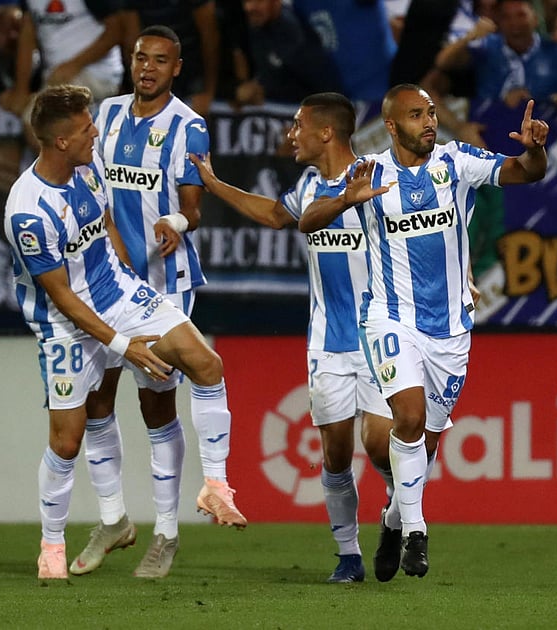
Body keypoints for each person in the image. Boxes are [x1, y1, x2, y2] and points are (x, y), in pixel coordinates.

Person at [298, 85, 549, 579]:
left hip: (451, 329)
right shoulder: (369, 173)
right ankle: (416, 531)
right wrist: (345, 199)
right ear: (391, 126)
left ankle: (393, 521)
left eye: (432, 112)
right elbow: (308, 220)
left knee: (425, 444)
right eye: (417, 115)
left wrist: (535, 150)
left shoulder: (457, 162)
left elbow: (524, 173)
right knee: (406, 418)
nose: (429, 122)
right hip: (390, 319)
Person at [4, 84, 237, 583]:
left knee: (206, 364)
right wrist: (121, 344)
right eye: (86, 128)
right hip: (64, 326)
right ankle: (51, 545)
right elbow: (62, 296)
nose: (95, 132)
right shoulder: (28, 211)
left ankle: (215, 483)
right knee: (66, 443)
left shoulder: (89, 165)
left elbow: (107, 225)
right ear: (61, 141)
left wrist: (132, 290)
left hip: (119, 295)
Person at [188, 93, 395, 583]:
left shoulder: (378, 180)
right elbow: (276, 215)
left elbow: (429, 227)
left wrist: (462, 272)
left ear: (326, 132)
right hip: (327, 343)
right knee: (337, 454)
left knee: (382, 445)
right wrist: (215, 186)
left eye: (298, 125)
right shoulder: (307, 184)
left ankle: (397, 513)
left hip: (381, 337)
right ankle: (348, 556)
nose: (290, 134)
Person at [70, 25, 246, 581]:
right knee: (95, 402)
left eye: (159, 60)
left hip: (164, 287)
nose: (146, 66)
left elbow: (193, 207)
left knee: (156, 408)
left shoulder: (188, 127)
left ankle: (166, 533)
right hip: (104, 284)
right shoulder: (109, 116)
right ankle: (113, 518)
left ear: (176, 68)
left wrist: (174, 219)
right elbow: (91, 191)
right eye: (140, 57)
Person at [0, 0, 128, 116]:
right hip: (54, 77)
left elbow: (117, 29)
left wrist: (74, 66)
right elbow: (27, 34)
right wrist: (21, 90)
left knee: (39, 123)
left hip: (98, 73)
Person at [434, 0, 557, 108]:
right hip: (489, 126)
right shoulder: (486, 46)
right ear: (499, 23)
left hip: (544, 128)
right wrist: (470, 36)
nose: (514, 23)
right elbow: (443, 62)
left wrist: (535, 101)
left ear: (535, 19)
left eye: (521, 15)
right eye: (506, 17)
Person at [235, 0, 342, 106]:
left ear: (277, 2)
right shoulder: (253, 25)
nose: (249, 8)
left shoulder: (294, 35)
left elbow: (327, 89)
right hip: (271, 114)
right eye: (246, 1)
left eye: (259, 1)